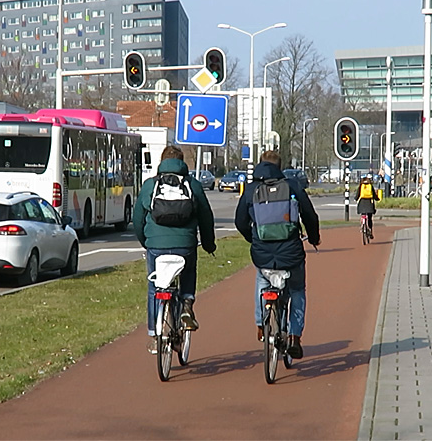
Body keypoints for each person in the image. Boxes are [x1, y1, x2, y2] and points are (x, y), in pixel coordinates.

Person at [235, 150, 320, 359]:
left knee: (262, 280)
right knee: (297, 290)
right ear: (280, 167)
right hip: (291, 253)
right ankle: (295, 337)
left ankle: (261, 325)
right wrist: (314, 237)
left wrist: (253, 238)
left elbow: (240, 222)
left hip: (262, 252)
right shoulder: (292, 186)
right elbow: (309, 215)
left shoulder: (251, 189)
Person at [133, 145, 216, 354]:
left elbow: (137, 219)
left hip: (155, 246)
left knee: (155, 288)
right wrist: (208, 244)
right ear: (182, 162)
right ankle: (187, 302)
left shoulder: (150, 185)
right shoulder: (193, 185)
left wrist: (146, 241)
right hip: (185, 245)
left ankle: (154, 333)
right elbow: (206, 217)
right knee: (188, 272)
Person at [355, 175, 380, 239]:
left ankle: (362, 225)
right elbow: (374, 195)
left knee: (363, 214)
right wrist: (377, 199)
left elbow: (357, 195)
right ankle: (370, 231)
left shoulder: (361, 186)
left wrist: (356, 199)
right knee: (369, 218)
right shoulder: (370, 186)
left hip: (362, 203)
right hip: (369, 203)